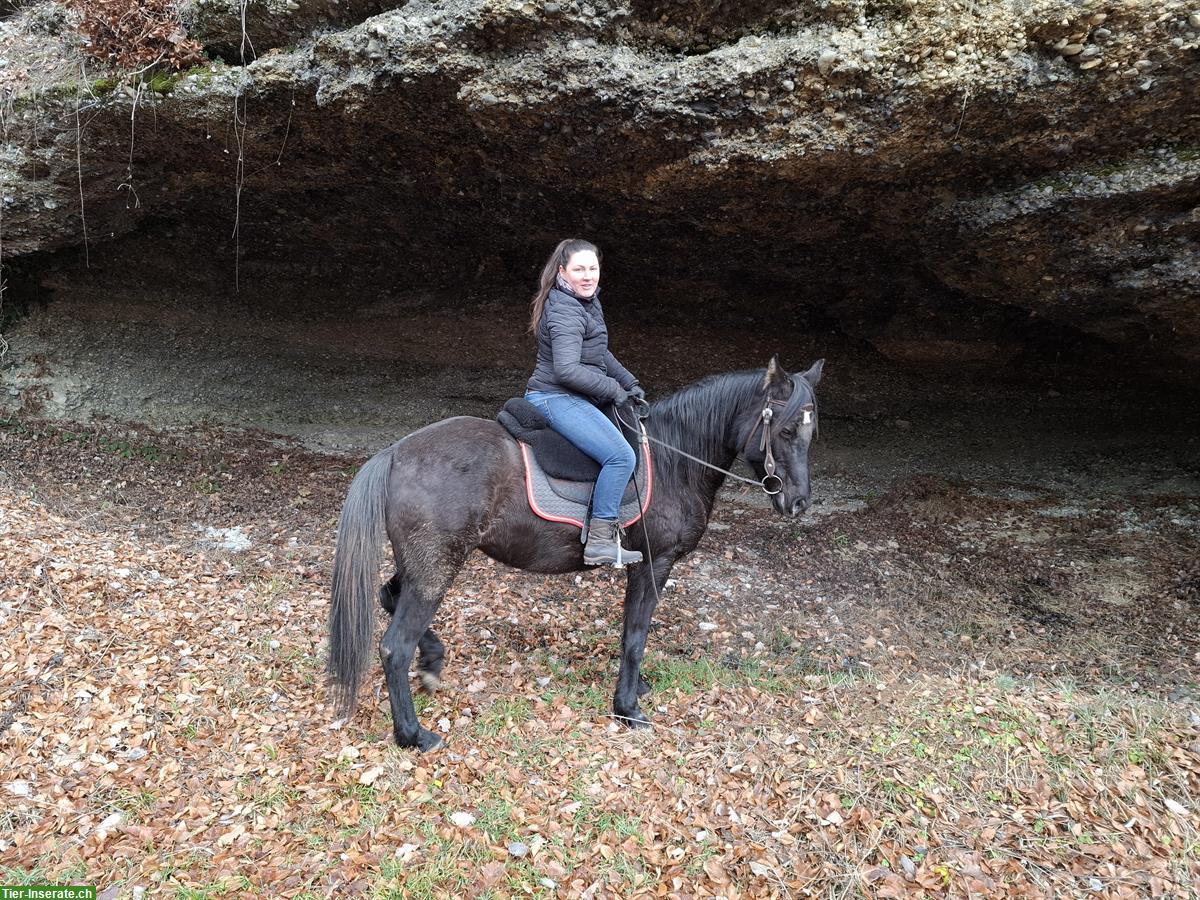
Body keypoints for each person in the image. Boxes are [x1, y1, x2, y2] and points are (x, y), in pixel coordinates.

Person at [524, 238, 646, 566]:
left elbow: (598, 351)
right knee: (621, 456)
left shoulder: (586, 301)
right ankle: (601, 540)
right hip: (555, 396)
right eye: (579, 269)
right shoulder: (565, 308)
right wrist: (612, 389)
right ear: (563, 271)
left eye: (593, 268)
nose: (588, 275)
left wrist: (629, 383)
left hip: (572, 394)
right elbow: (566, 370)